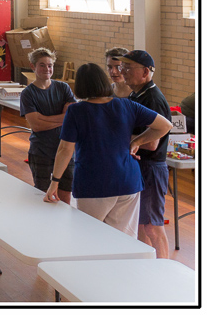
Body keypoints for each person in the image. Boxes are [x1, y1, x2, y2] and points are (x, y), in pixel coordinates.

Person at [43, 63, 172, 238]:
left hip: (94, 182)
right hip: (128, 181)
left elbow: (65, 149)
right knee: (122, 241)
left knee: (89, 239)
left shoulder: (77, 110)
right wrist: (137, 142)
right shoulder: (127, 105)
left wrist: (55, 182)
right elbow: (165, 125)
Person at [119, 50, 173, 259]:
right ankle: (145, 268)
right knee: (140, 225)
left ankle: (164, 271)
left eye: (128, 67)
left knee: (152, 226)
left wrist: (125, 138)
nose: (123, 71)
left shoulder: (153, 99)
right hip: (140, 167)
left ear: (146, 72)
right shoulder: (136, 94)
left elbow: (151, 143)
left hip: (151, 169)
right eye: (123, 67)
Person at [19, 48, 76, 204]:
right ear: (33, 67)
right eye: (42, 65)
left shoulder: (63, 88)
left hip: (66, 149)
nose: (47, 69)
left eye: (50, 65)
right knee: (43, 194)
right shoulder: (28, 94)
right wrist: (63, 119)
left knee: (65, 195)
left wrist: (45, 118)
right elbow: (36, 126)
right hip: (41, 150)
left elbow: (72, 118)